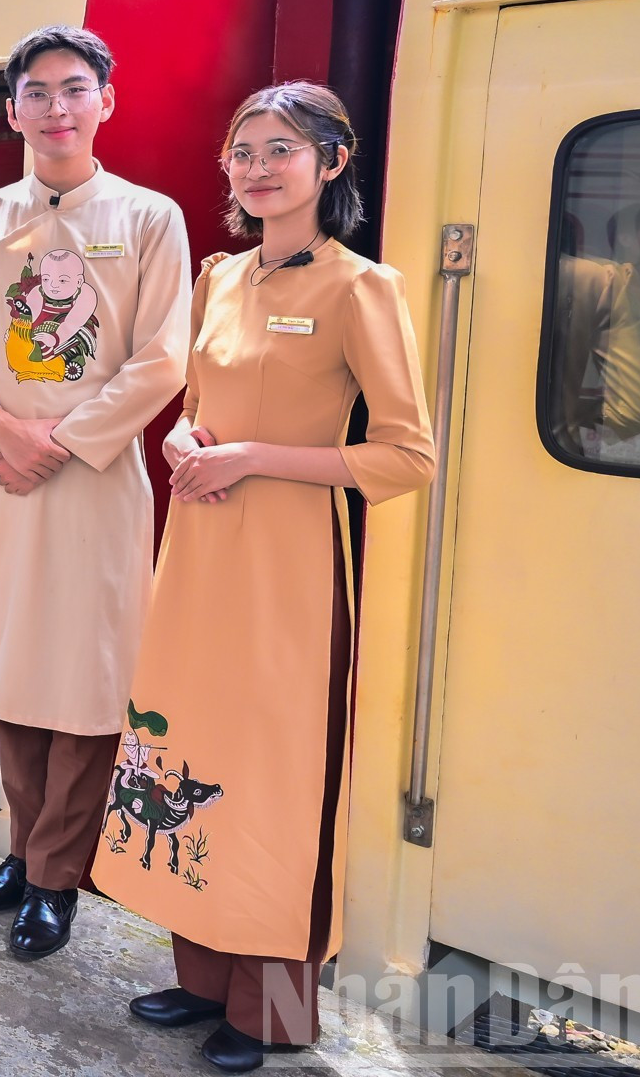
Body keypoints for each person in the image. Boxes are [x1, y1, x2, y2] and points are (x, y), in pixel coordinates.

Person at [93, 83, 434, 1071]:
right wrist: (190, 440)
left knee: (281, 783)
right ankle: (201, 980)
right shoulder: (220, 277)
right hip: (197, 557)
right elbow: (198, 400)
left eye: (279, 148)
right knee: (187, 751)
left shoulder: (360, 287)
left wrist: (249, 457)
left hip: (291, 571)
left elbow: (407, 456)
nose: (254, 167)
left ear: (332, 162)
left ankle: (272, 1009)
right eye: (240, 151)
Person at [0, 25, 191, 958]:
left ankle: (56, 879)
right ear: (13, 112)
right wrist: (3, 432)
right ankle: (24, 851)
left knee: (83, 682)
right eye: (35, 93)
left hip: (90, 483)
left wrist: (61, 442)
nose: (55, 107)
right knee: (10, 668)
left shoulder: (150, 218)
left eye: (73, 89)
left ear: (105, 101)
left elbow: (163, 361)